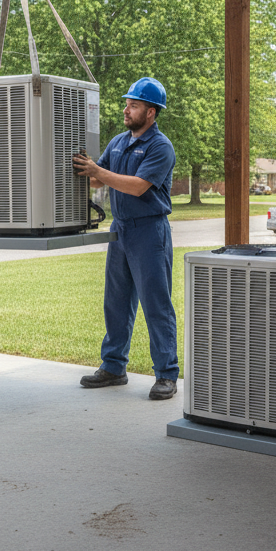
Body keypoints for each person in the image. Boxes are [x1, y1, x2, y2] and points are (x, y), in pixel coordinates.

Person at [72, 78, 179, 401]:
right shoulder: (118, 142)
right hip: (120, 231)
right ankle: (114, 366)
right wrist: (85, 170)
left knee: (156, 304)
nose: (126, 109)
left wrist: (98, 172)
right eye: (127, 103)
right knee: (116, 302)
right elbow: (95, 181)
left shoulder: (161, 147)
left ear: (150, 112)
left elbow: (137, 186)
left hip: (149, 232)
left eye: (133, 105)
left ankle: (166, 375)